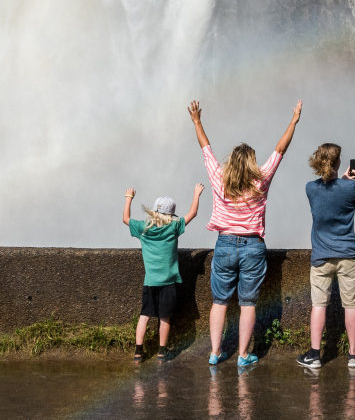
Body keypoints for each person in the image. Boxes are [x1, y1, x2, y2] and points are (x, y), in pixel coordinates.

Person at [189, 98, 302, 368]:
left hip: (225, 244)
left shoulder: (219, 178)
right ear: (251, 162)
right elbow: (279, 150)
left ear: (232, 162)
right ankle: (242, 356)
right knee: (248, 303)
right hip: (253, 246)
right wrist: (294, 120)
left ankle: (215, 352)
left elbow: (206, 149)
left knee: (219, 301)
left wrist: (197, 121)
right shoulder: (261, 180)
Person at [296, 143, 355, 370]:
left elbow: (328, 193)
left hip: (321, 257)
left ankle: (314, 355)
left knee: (318, 305)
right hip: (348, 256)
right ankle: (353, 355)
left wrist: (341, 181)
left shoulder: (310, 188)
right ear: (338, 162)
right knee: (351, 306)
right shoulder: (349, 188)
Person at [123, 184, 204, 361]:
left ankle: (138, 352)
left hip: (150, 281)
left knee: (144, 315)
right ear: (171, 214)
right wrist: (196, 194)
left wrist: (128, 198)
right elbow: (193, 213)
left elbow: (126, 219)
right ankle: (161, 351)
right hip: (168, 281)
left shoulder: (143, 228)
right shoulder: (173, 227)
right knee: (164, 317)